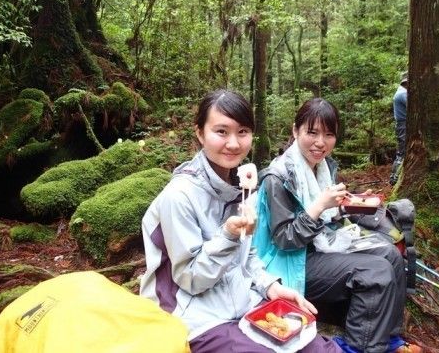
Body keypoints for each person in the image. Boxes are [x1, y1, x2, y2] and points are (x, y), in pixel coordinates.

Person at [139, 89, 342, 353]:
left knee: (320, 349)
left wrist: (270, 287)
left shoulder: (242, 187)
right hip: (196, 318)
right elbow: (191, 279)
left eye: (243, 132)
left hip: (244, 302)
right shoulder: (179, 196)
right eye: (221, 132)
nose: (234, 143)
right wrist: (227, 236)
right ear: (200, 133)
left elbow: (248, 257)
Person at [253, 98, 422, 353]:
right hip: (290, 264)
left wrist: (349, 204)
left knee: (390, 254)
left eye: (329, 134)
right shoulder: (278, 178)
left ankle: (388, 336)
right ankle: (360, 347)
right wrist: (320, 205)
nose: (321, 142)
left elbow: (329, 216)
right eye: (312, 132)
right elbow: (284, 240)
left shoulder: (322, 167)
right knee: (375, 271)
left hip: (318, 248)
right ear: (295, 130)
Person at [389, 72, 408, 185]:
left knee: (402, 151)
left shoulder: (400, 92)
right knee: (402, 153)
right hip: (403, 125)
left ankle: (394, 178)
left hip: (403, 124)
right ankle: (394, 179)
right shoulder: (402, 94)